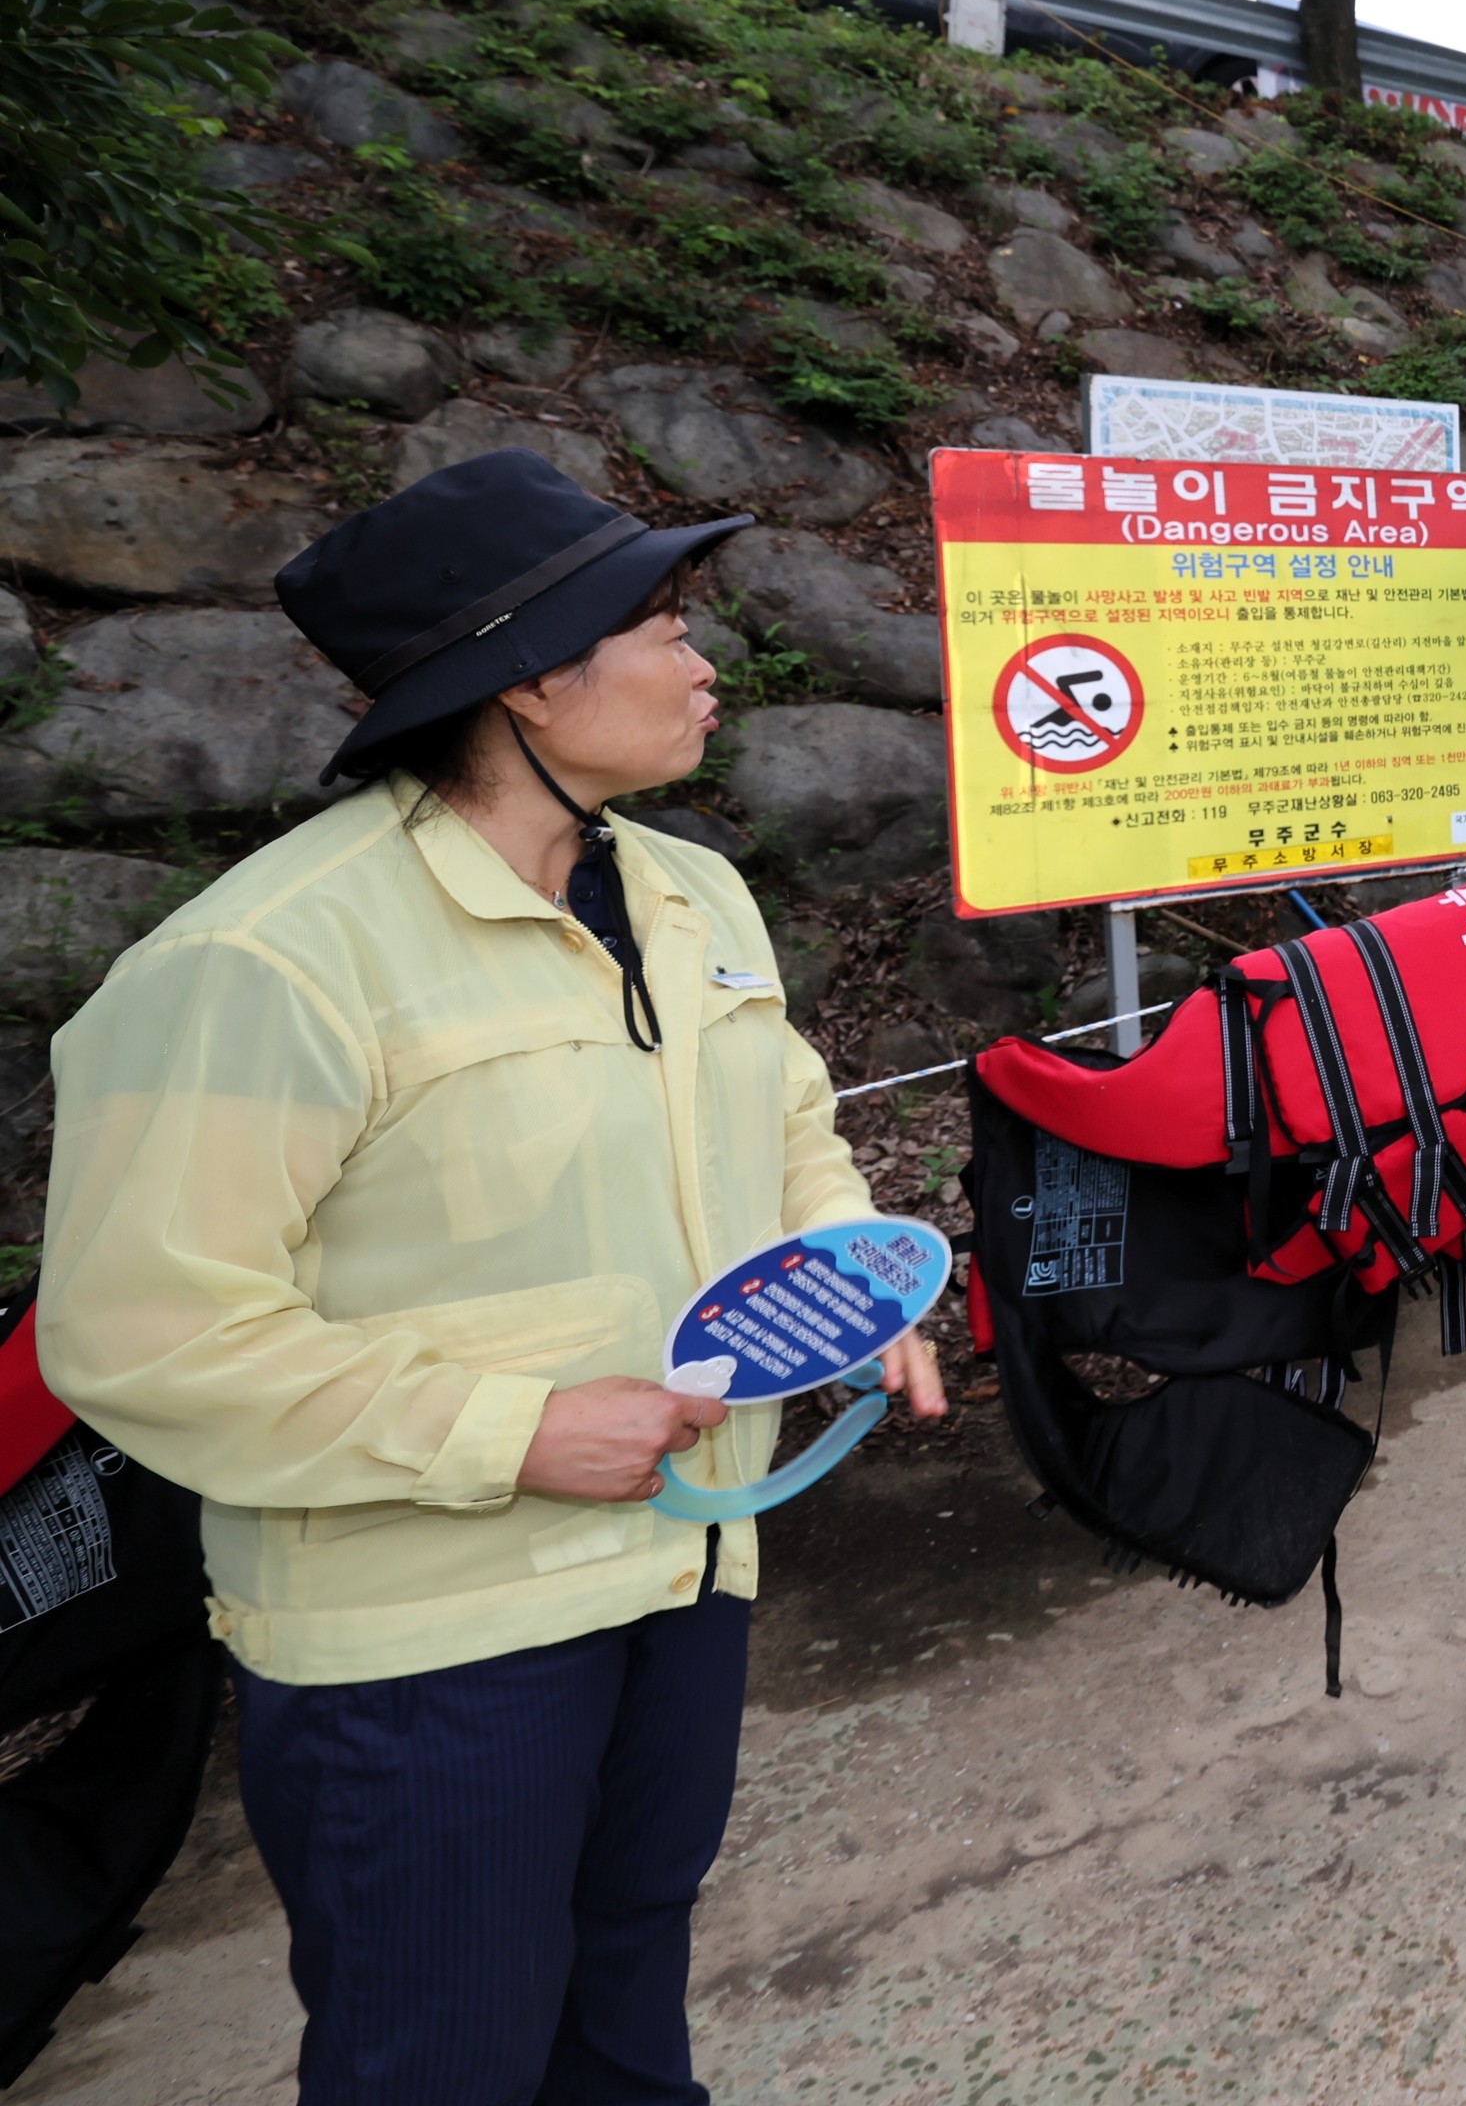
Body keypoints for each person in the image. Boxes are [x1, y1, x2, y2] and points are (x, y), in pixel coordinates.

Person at [40, 452, 945, 2104]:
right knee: (438, 2053)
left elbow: (790, 1113)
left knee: (625, 2008)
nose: (702, 662)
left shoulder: (691, 890)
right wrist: (506, 1430)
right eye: (661, 624)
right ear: (529, 677)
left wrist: (856, 1282)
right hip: (426, 1641)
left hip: (686, 1569)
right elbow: (143, 1332)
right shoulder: (265, 964)